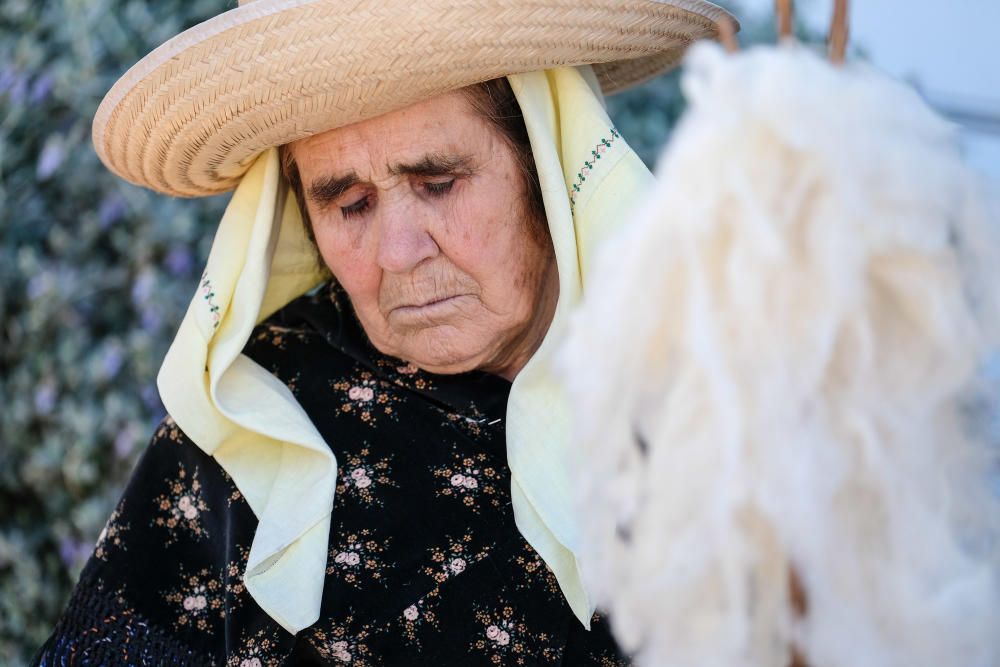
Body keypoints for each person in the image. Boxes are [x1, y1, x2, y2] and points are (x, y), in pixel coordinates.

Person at [34, 0, 733, 664]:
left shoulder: (727, 399)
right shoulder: (257, 426)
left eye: (438, 183)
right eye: (350, 202)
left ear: (543, 169)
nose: (399, 252)